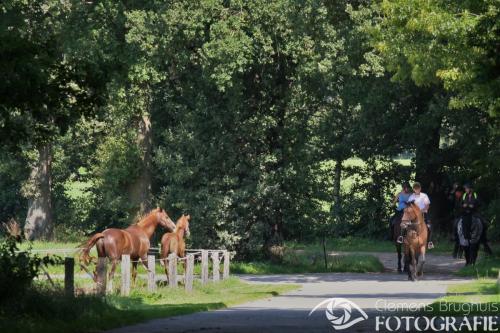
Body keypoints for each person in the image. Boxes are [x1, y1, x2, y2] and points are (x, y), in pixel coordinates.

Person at [397, 182, 434, 249]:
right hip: (413, 214)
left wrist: (422, 210)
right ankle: (401, 237)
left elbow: (427, 206)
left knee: (429, 226)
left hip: (423, 213)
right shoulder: (411, 196)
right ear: (414, 189)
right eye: (415, 188)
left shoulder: (424, 195)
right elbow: (409, 205)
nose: (417, 190)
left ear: (420, 188)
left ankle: (430, 242)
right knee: (404, 223)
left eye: (418, 188)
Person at [461, 183, 492, 255]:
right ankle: (458, 237)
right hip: (466, 212)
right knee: (458, 221)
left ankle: (484, 237)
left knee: (483, 221)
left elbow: (480, 203)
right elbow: (461, 203)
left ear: (470, 189)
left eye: (467, 188)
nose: (466, 190)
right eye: (465, 189)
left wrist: (474, 205)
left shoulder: (475, 195)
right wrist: (463, 205)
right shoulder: (464, 195)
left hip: (474, 212)